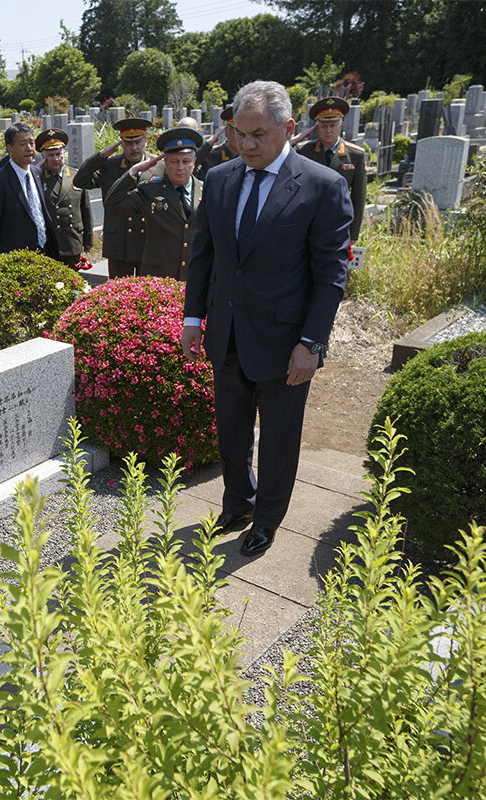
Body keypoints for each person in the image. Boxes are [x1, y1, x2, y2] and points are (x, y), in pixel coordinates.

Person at [180, 81, 352, 557]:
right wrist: (194, 319)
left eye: (258, 134)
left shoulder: (323, 186)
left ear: (289, 128)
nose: (247, 145)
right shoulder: (219, 179)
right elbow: (205, 256)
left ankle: (269, 518)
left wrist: (312, 343)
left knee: (278, 439)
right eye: (239, 134)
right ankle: (237, 501)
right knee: (230, 428)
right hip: (228, 334)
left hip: (285, 343)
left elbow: (330, 275)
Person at [104, 127, 203, 280]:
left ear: (194, 162)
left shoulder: (207, 190)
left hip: (195, 273)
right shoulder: (150, 191)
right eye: (175, 161)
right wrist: (133, 172)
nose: (180, 167)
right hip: (158, 275)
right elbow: (113, 202)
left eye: (186, 161)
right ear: (165, 162)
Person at [73, 117, 160, 278]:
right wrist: (101, 155)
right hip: (120, 242)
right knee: (119, 295)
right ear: (121, 144)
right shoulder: (110, 165)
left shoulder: (158, 165)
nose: (134, 148)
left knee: (148, 294)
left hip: (148, 242)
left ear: (145, 141)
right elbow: (80, 181)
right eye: (128, 143)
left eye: (138, 142)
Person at [294, 97, 367, 240]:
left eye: (333, 125)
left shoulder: (355, 155)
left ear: (341, 125)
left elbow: (358, 197)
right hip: (308, 222)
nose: (328, 130)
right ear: (317, 127)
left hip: (338, 224)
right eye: (323, 126)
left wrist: (353, 234)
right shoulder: (304, 151)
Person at [0, 122, 56, 257]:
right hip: (15, 256)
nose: (29, 148)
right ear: (10, 149)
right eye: (23, 144)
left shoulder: (37, 172)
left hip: (44, 252)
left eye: (31, 143)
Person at [36, 128, 93, 270]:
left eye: (59, 154)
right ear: (43, 156)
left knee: (74, 284)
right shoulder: (37, 178)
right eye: (51, 155)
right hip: (49, 243)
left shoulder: (76, 176)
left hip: (72, 240)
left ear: (64, 154)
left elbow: (85, 209)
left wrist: (88, 239)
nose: (56, 159)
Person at [194, 106, 238, 180]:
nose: (239, 137)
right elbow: (189, 168)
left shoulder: (252, 156)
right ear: (226, 132)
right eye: (234, 132)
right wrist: (207, 146)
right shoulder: (213, 157)